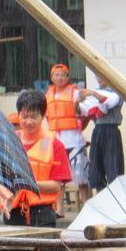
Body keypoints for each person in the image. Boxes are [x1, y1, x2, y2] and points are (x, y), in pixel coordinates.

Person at [0, 90, 71, 227]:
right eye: (24, 117)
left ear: (43, 116)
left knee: (45, 248)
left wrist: (28, 183)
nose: (28, 122)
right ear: (18, 115)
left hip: (43, 213)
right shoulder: (8, 141)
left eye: (34, 117)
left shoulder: (55, 144)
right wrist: (6, 194)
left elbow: (56, 186)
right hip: (13, 210)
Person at [44, 63, 89, 213]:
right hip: (57, 142)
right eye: (56, 75)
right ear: (51, 78)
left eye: (63, 75)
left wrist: (81, 103)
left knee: (82, 178)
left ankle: (87, 207)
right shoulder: (48, 95)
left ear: (68, 77)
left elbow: (86, 111)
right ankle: (59, 210)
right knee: (59, 178)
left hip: (75, 140)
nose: (60, 78)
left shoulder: (75, 93)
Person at [80, 72, 124, 192]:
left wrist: (93, 94)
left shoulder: (116, 91)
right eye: (97, 76)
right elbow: (83, 110)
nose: (100, 78)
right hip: (98, 130)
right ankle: (101, 196)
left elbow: (109, 103)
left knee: (113, 166)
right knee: (96, 166)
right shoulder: (93, 92)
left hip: (111, 130)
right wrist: (77, 100)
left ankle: (116, 199)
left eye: (102, 75)